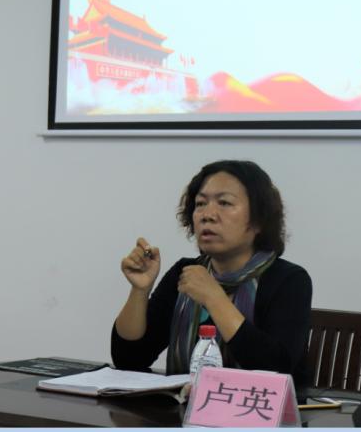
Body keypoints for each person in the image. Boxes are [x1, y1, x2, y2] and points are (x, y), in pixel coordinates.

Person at [111, 160, 312, 386]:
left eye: (224, 203)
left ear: (259, 220)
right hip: (186, 405)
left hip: (258, 406)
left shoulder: (289, 280)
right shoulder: (185, 273)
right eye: (200, 204)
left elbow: (276, 367)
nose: (207, 215)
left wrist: (214, 297)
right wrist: (139, 290)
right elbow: (128, 359)